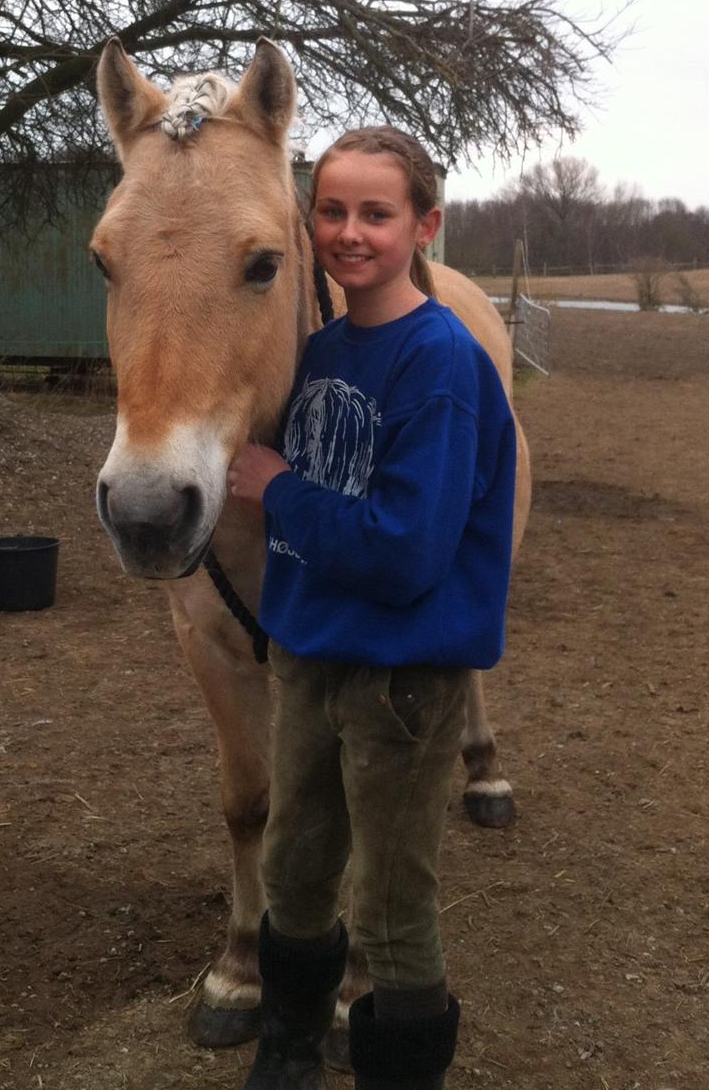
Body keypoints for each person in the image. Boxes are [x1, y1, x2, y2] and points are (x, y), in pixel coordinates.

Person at [226, 127, 517, 1090]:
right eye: (333, 210)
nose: (351, 233)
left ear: (424, 225)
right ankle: (289, 1046)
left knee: (392, 906)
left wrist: (278, 490)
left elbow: (406, 552)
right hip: (309, 655)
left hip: (400, 679)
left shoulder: (438, 361)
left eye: (377, 214)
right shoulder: (322, 350)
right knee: (295, 872)